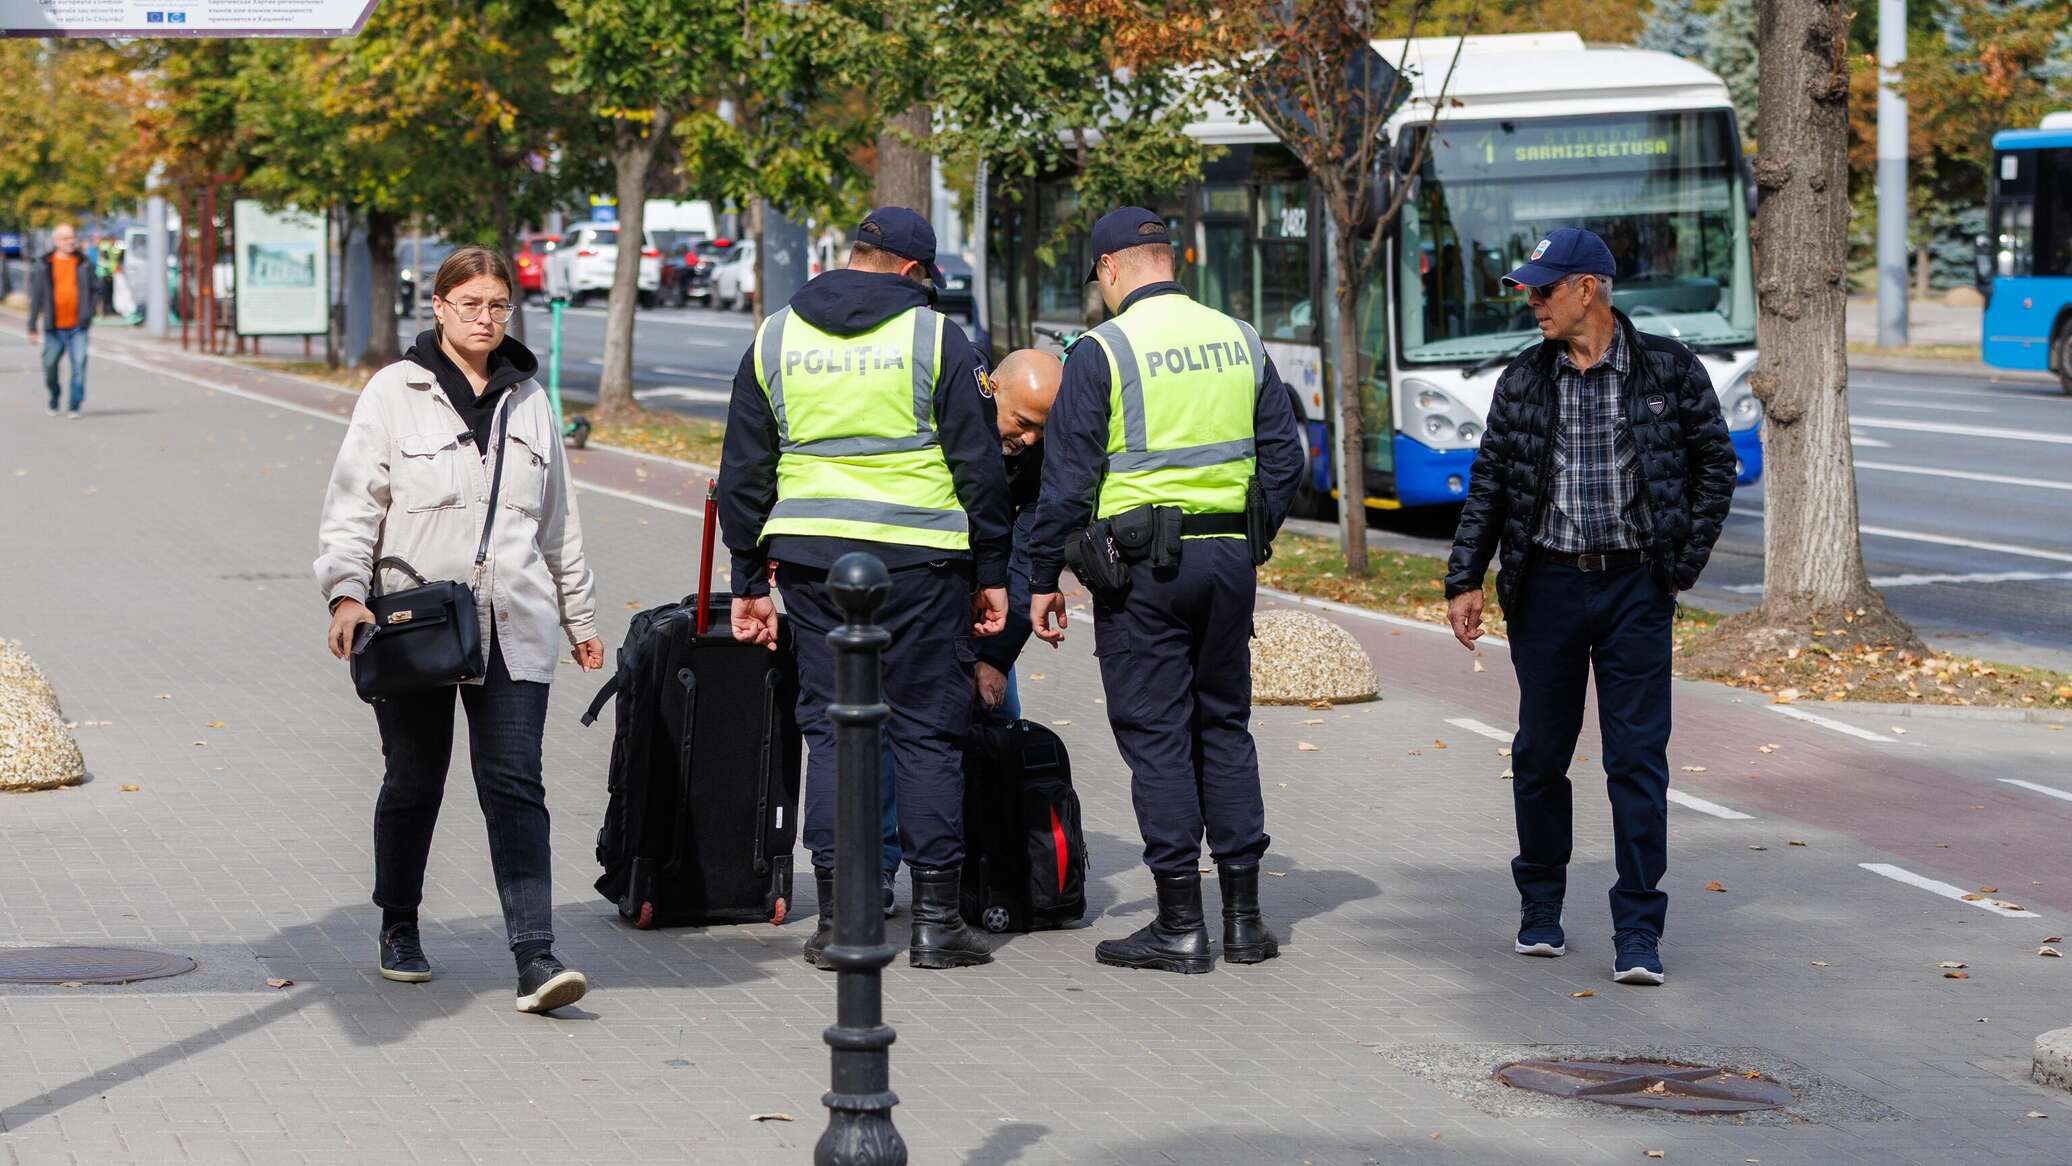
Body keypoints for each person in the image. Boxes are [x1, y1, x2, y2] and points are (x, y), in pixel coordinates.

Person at [718, 207, 1012, 971]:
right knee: (925, 735)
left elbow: (745, 470)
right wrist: (992, 574)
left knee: (831, 731)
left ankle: (842, 922)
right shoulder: (938, 338)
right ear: (914, 272)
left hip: (814, 567)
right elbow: (981, 467)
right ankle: (937, 925)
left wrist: (746, 579)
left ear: (853, 256)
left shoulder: (775, 334)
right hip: (922, 565)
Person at [1442, 227, 1736, 987]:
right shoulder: (1524, 380)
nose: (1531, 303)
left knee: (1636, 762)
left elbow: (1715, 467)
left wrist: (1682, 566)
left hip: (1637, 587)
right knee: (1540, 754)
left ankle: (1638, 928)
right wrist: (1463, 577)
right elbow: (1490, 484)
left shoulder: (1668, 369)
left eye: (1543, 289)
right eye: (1528, 291)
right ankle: (1540, 908)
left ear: (1587, 289)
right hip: (1545, 589)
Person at [315, 245, 604, 1014]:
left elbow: (558, 520)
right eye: (470, 303)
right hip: (415, 622)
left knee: (515, 785)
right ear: (438, 307)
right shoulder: (393, 392)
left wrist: (579, 615)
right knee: (415, 779)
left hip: (515, 620)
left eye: (498, 305)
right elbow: (353, 506)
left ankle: (535, 956)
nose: (485, 318)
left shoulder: (531, 397)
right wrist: (346, 594)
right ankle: (399, 925)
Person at [1027, 207, 1305, 974]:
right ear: (1168, 259)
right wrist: (1249, 538)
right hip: (1226, 561)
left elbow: (1068, 481)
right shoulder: (1240, 337)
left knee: (1156, 735)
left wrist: (1044, 577)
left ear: (1111, 269)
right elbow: (1286, 460)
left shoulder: (1102, 350)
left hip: (1144, 571)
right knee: (1223, 727)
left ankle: (1180, 923)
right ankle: (1245, 923)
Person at [974, 347, 1063, 720]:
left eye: (1041, 429)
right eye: (1024, 423)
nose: (1029, 439)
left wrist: (996, 659)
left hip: (991, 620)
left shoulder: (1036, 456)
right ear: (992, 389)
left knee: (999, 720)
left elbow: (1031, 551)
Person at [25, 224, 95, 418]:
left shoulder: (84, 262)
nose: (71, 241)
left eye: (72, 237)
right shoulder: (44, 264)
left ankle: (74, 405)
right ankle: (54, 395)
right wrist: (32, 326)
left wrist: (88, 313)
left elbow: (94, 289)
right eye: (65, 238)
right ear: (56, 241)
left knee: (79, 365)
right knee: (49, 365)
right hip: (53, 327)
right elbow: (36, 297)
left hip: (78, 326)